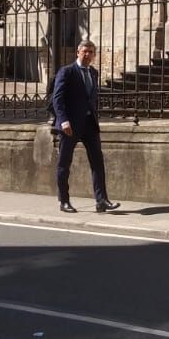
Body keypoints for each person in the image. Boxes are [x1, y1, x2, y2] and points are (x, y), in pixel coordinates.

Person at [51, 39, 119, 213]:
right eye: (84, 51)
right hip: (70, 125)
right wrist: (63, 120)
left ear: (94, 55)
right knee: (64, 163)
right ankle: (64, 201)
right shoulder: (67, 72)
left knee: (97, 162)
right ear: (78, 52)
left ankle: (101, 200)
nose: (87, 55)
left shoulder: (93, 73)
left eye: (91, 52)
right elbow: (57, 98)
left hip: (89, 124)